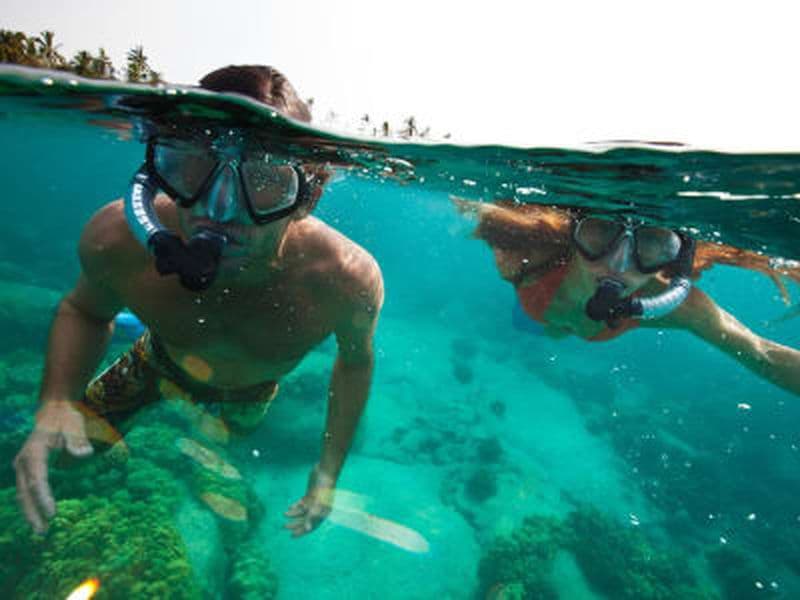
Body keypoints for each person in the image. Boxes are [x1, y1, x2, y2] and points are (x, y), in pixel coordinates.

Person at [13, 65, 384, 537]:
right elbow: (83, 310)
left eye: (264, 179)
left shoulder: (345, 280)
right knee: (66, 456)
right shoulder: (117, 239)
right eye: (194, 168)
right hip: (155, 361)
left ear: (306, 197)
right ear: (158, 173)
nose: (220, 210)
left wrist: (328, 471)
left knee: (230, 445)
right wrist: (53, 406)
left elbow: (355, 363)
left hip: (250, 392)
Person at [456, 199, 800, 395]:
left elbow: (762, 355)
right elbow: (482, 212)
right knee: (550, 328)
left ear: (675, 259)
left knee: (556, 328)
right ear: (575, 234)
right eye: (600, 233)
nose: (617, 265)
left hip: (555, 314)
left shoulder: (678, 305)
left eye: (653, 245)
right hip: (540, 311)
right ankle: (553, 328)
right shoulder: (526, 257)